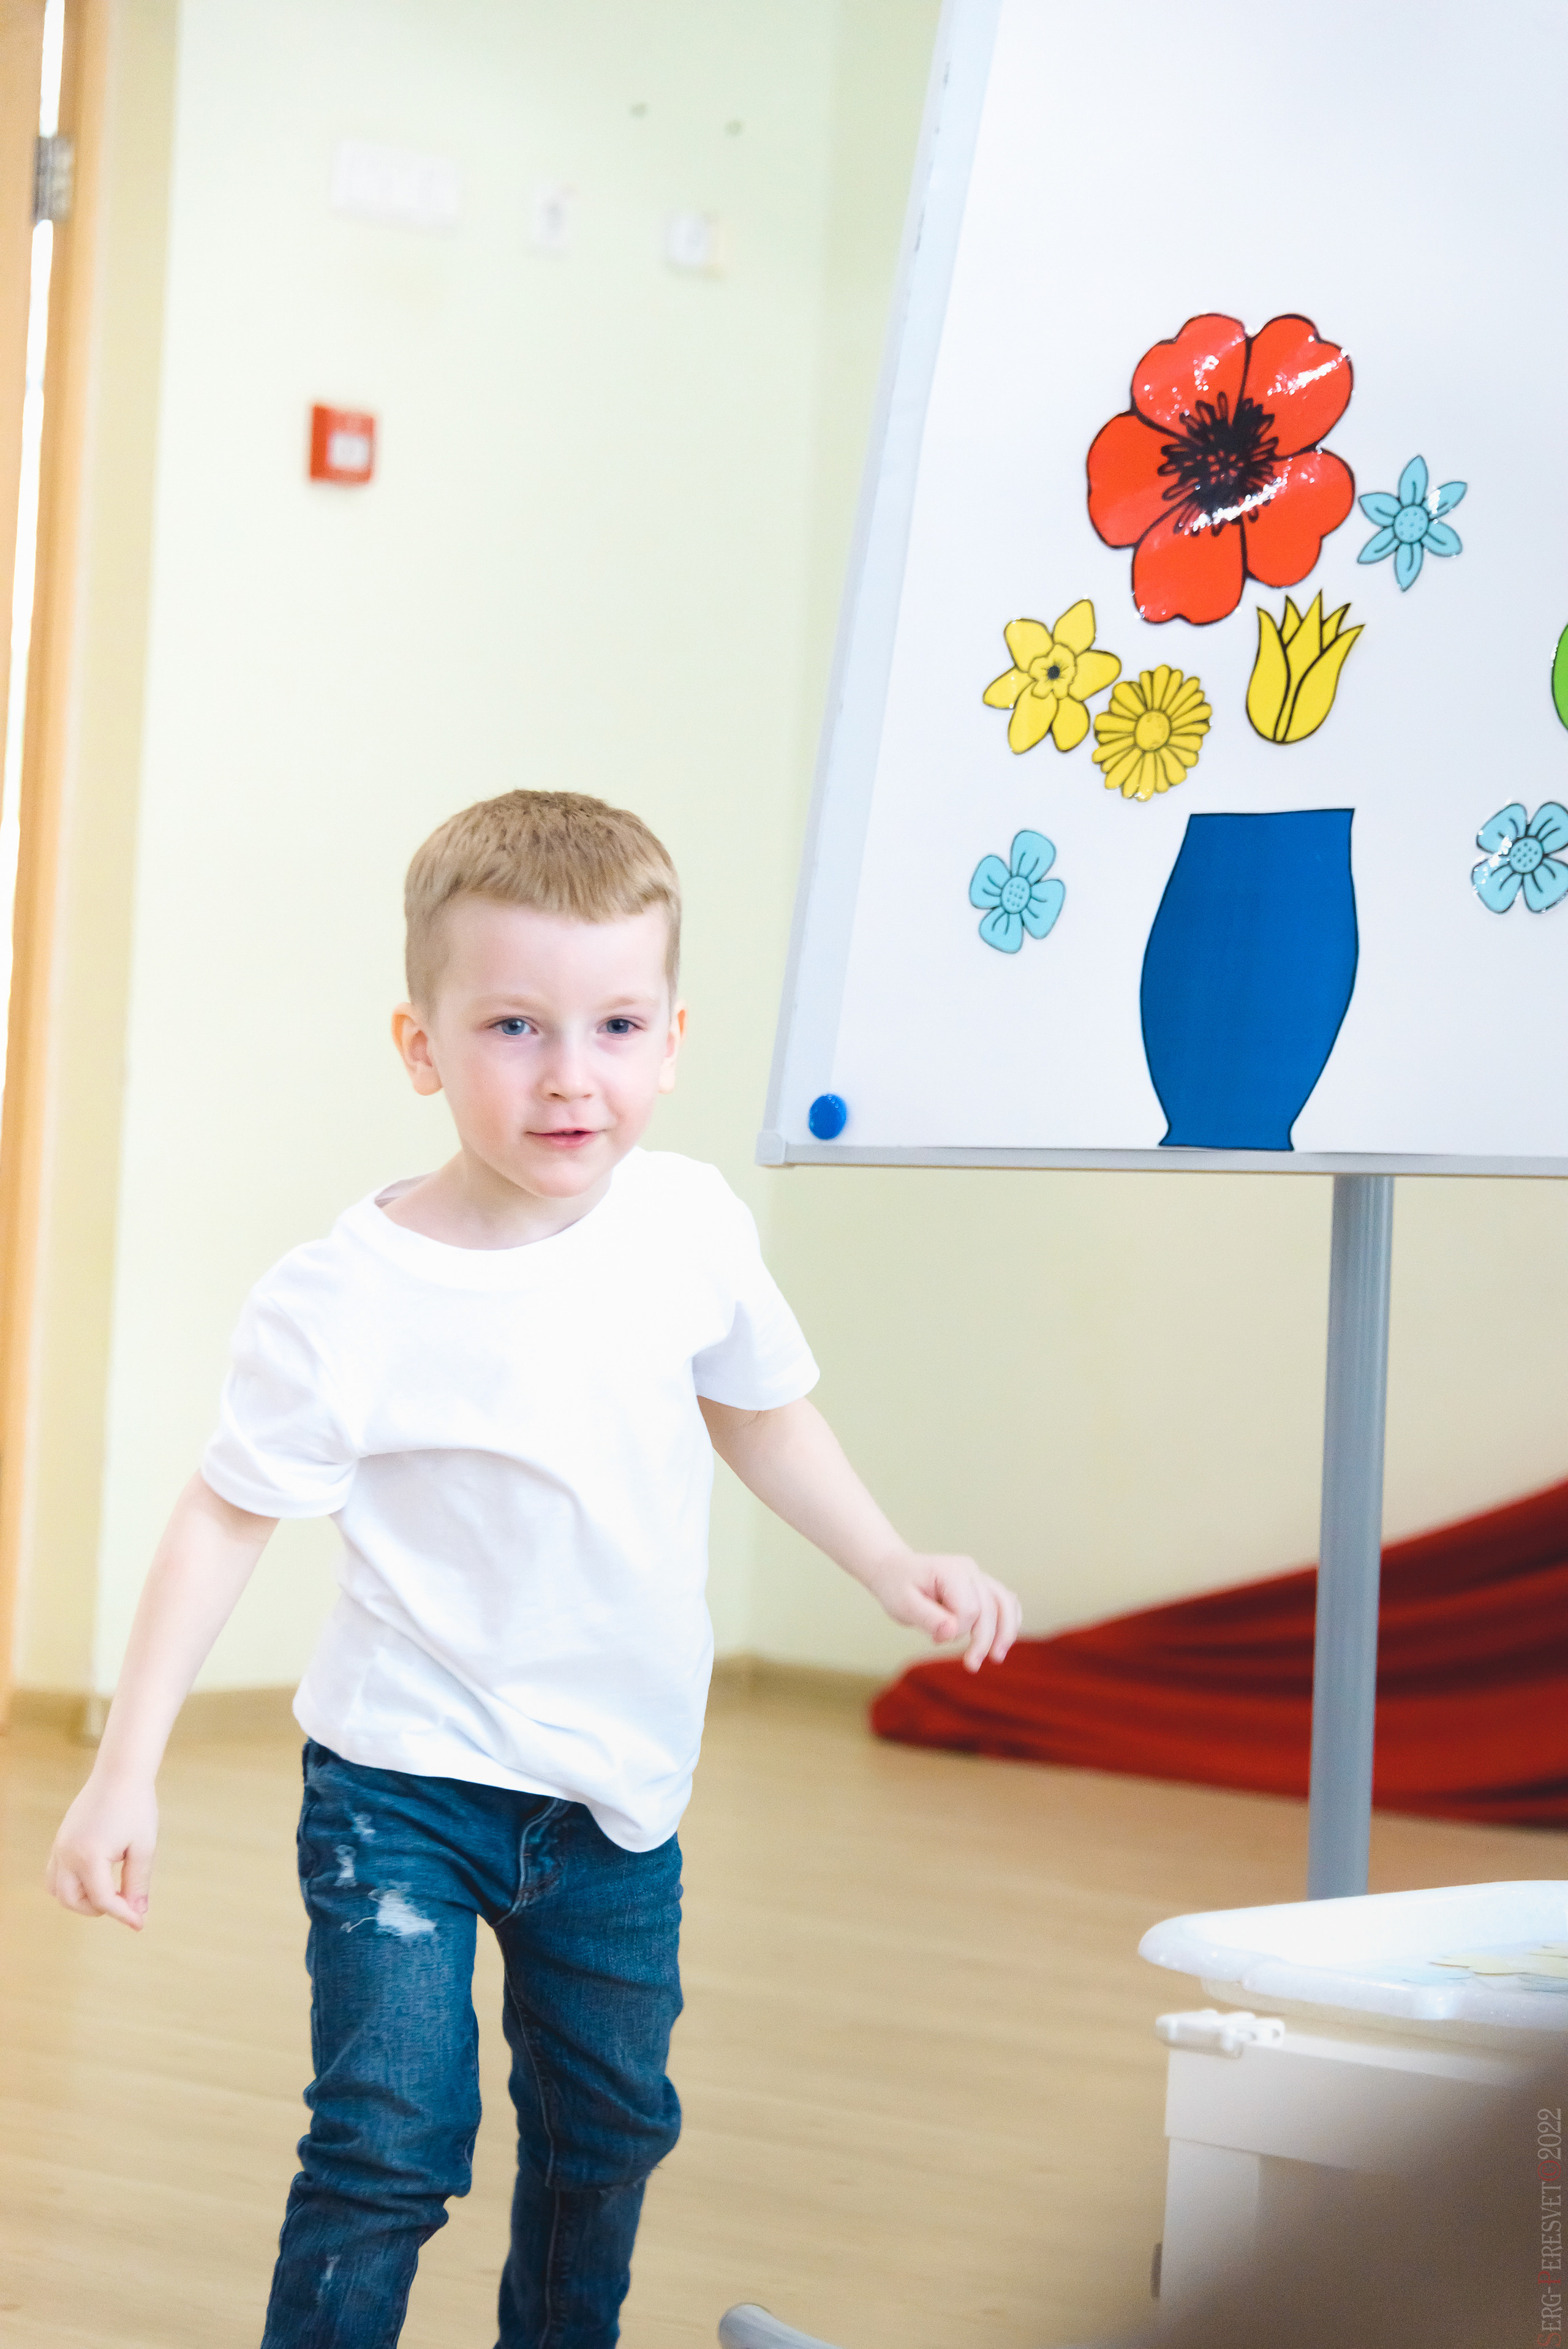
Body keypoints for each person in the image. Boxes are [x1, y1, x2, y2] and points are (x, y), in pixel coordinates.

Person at [44, 790, 1021, 2349]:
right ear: (419, 1043)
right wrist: (128, 1767)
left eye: (616, 1023)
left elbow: (756, 1413)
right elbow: (227, 1513)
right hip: (400, 1785)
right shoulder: (343, 1296)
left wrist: (888, 1555)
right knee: (386, 2144)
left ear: (672, 1036)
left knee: (609, 2133)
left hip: (616, 1793)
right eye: (512, 1025)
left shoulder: (687, 1222)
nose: (573, 1076)